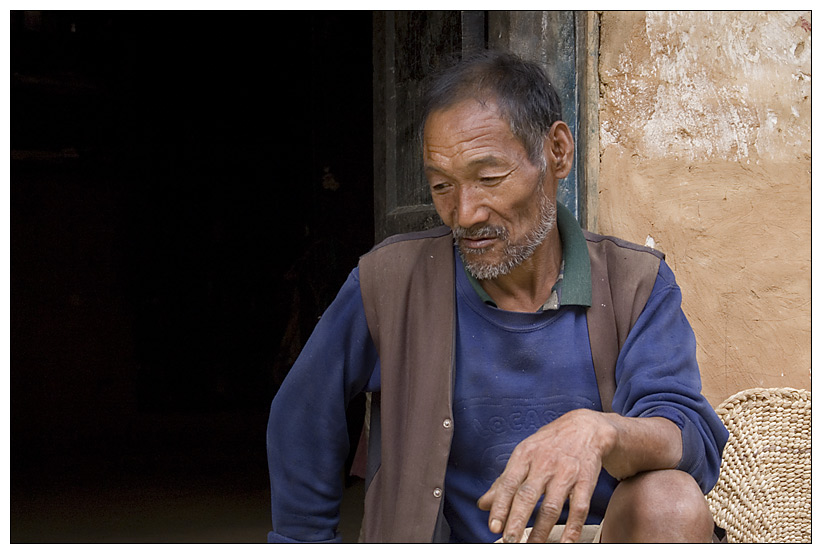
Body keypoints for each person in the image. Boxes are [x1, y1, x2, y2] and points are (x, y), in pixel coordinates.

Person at [266, 49, 728, 544]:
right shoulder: (390, 282)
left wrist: (600, 431)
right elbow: (303, 415)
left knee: (672, 501)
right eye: (442, 185)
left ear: (557, 152)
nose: (465, 213)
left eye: (489, 179)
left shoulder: (634, 282)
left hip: (596, 539)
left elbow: (689, 439)